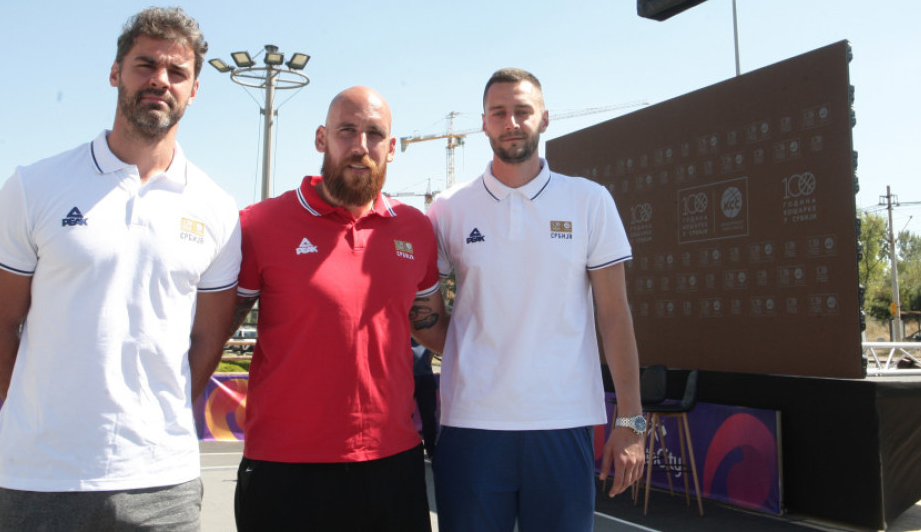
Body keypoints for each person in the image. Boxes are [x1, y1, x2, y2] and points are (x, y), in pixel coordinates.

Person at [0, 7, 242, 532]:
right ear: (115, 72)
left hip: (163, 484)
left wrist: (154, 417)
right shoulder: (35, 186)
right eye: (145, 65)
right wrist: (39, 415)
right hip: (38, 480)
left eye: (177, 72)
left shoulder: (218, 209)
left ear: (194, 90)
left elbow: (209, 338)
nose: (160, 81)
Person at [427, 68, 646, 532]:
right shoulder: (449, 208)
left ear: (544, 119)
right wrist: (470, 352)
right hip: (472, 426)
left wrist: (631, 418)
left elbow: (614, 313)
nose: (512, 122)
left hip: (562, 424)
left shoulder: (588, 200)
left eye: (523, 111)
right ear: (483, 123)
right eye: (499, 113)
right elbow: (421, 306)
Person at [232, 86, 449, 532]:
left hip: (394, 465)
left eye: (374, 134)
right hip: (285, 469)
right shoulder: (258, 224)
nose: (360, 146)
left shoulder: (416, 229)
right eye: (346, 131)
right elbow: (212, 330)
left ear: (391, 148)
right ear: (320, 139)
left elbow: (433, 328)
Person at [412, 338, 439, 459]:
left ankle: (431, 450)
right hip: (406, 375)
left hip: (425, 375)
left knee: (428, 416)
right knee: (405, 416)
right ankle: (411, 450)